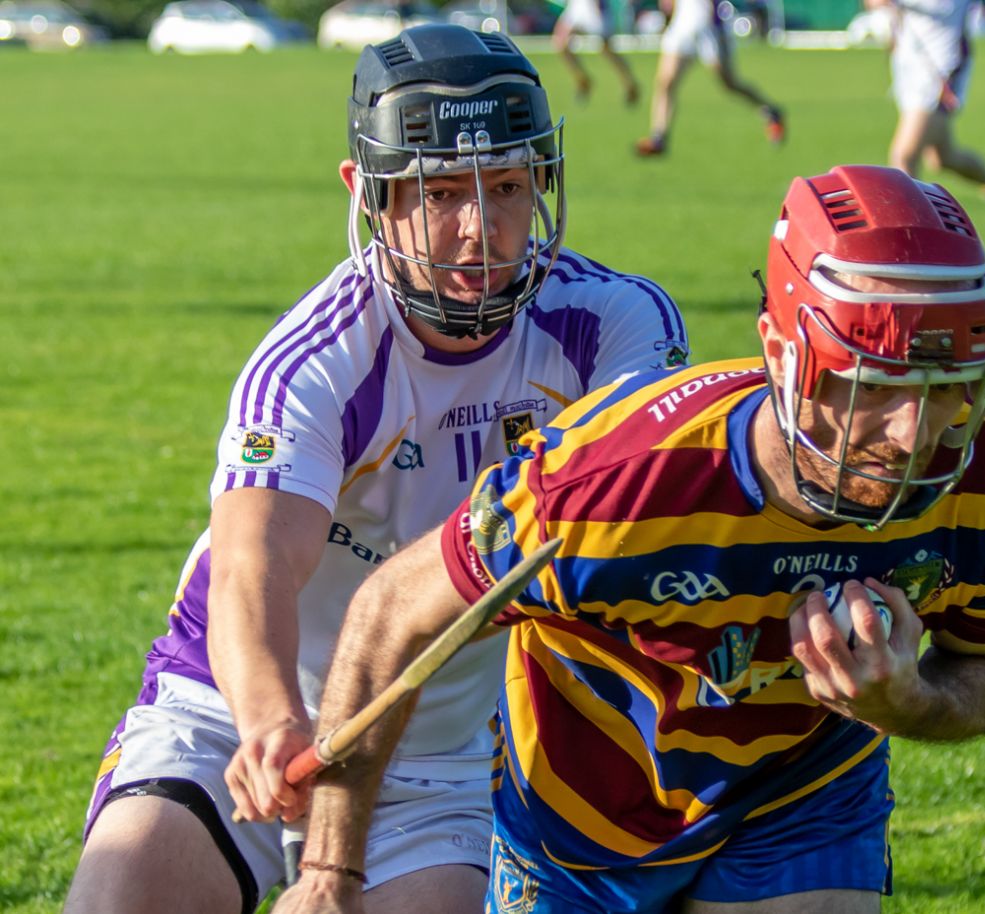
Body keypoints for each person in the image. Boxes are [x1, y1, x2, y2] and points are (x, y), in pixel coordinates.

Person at [272, 164, 985, 913]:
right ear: (785, 357)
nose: (913, 433)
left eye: (949, 387)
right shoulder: (606, 484)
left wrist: (911, 702)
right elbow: (390, 613)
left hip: (802, 795)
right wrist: (330, 872)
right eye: (875, 386)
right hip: (577, 823)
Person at [62, 23, 689, 914]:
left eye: (507, 186)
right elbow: (254, 563)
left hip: (449, 751)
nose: (481, 230)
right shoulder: (317, 359)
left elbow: (651, 534)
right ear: (369, 191)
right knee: (122, 897)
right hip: (234, 705)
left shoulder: (614, 327)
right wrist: (271, 719)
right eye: (440, 193)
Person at [865, 0, 985, 244]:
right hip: (911, 70)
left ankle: (914, 238)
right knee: (943, 157)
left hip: (941, 74)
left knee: (904, 155)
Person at [634, 0, 785, 157]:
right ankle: (659, 138)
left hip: (709, 23)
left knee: (730, 84)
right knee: (665, 82)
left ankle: (771, 110)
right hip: (683, 21)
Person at [552, 0, 641, 107]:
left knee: (607, 50)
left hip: (597, 7)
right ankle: (583, 80)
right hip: (578, 4)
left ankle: (630, 83)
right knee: (560, 42)